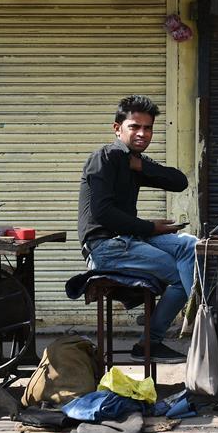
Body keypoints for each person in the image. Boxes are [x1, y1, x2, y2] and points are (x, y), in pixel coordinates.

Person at [78, 95, 197, 364]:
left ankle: (200, 318)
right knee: (180, 274)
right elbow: (102, 213)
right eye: (134, 127)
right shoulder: (104, 158)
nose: (142, 133)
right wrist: (150, 227)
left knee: (191, 245)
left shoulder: (133, 162)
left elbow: (178, 182)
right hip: (104, 247)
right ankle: (152, 342)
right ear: (117, 128)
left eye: (148, 128)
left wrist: (141, 164)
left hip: (129, 240)